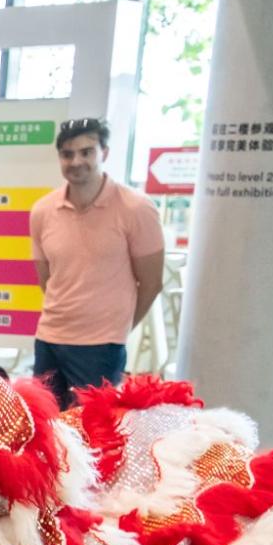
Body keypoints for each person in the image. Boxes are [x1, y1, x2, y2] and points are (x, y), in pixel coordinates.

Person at [29, 117, 165, 408]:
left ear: (104, 152)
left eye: (86, 151)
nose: (76, 161)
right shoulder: (42, 210)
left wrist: (118, 328)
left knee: (91, 435)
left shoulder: (136, 209)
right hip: (49, 337)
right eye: (68, 154)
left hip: (101, 345)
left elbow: (151, 283)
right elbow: (49, 279)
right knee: (46, 427)